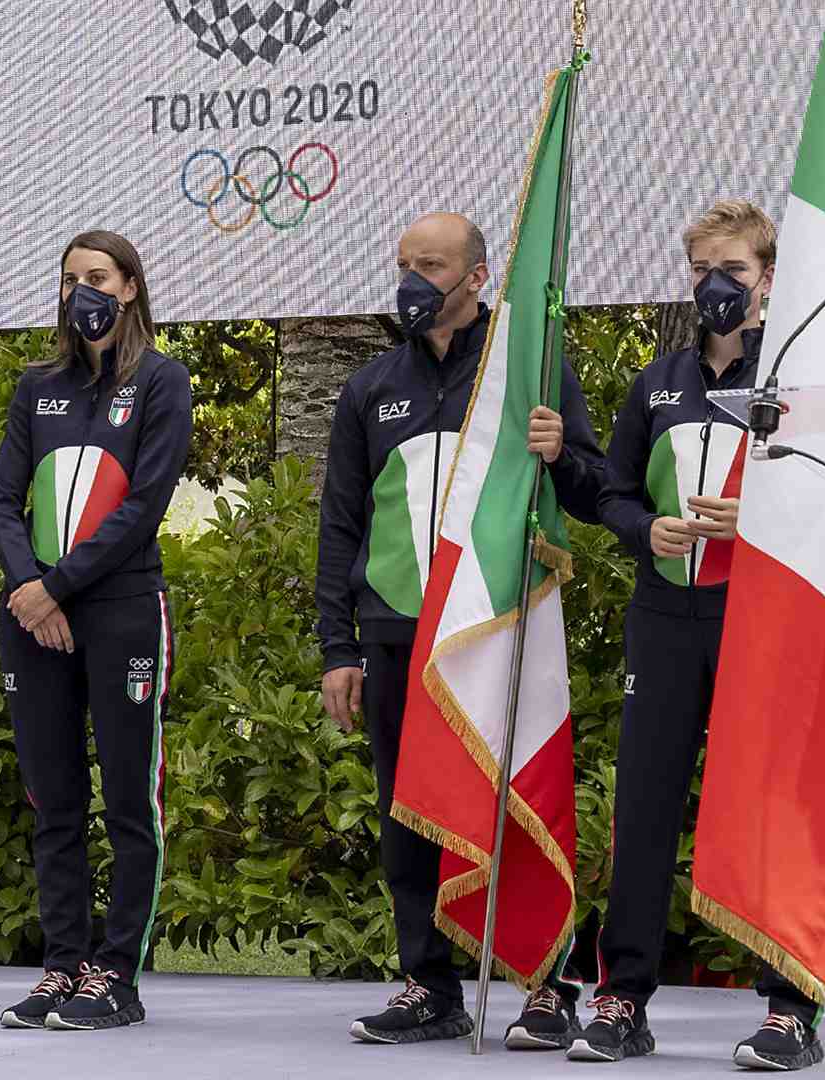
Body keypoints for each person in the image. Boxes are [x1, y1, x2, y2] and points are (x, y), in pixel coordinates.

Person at [542, 201, 823, 1071]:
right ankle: (621, 997)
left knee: (774, 807)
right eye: (701, 268)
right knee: (646, 807)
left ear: (768, 280)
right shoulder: (656, 382)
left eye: (733, 271)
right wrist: (642, 529)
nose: (715, 286)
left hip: (762, 619)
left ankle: (791, 1009)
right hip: (665, 618)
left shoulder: (798, 378)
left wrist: (763, 517)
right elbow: (616, 492)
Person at [315, 211, 607, 1046]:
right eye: (403, 262)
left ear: (478, 276)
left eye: (432, 264)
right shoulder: (371, 387)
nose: (412, 279)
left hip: (496, 627)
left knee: (521, 797)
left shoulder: (527, 372)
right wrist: (340, 646)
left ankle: (549, 984)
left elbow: (592, 495)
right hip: (397, 630)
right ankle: (427, 985)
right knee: (409, 812)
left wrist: (560, 454)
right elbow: (340, 525)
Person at [0, 230, 195, 1031]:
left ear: (132, 287)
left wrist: (58, 589)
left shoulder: (161, 382)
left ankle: (117, 976)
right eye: (72, 277)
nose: (85, 291)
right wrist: (29, 591)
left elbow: (143, 508)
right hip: (31, 618)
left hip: (120, 613)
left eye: (99, 277)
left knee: (129, 801)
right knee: (54, 800)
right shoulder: (37, 386)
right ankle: (61, 965)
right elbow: (4, 502)